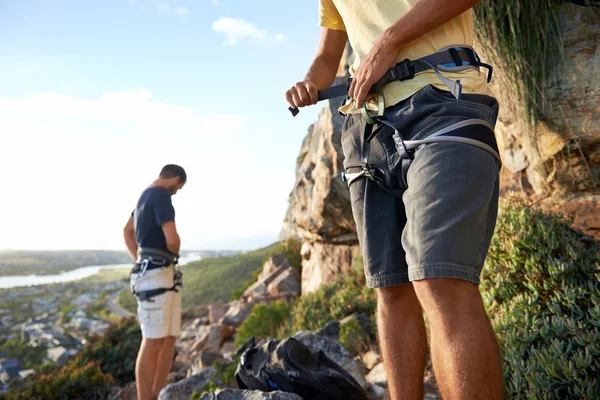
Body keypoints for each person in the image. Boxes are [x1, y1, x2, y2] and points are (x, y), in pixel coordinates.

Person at [285, 1, 504, 399]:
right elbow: (326, 58)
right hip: (365, 130)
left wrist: (391, 40)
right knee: (391, 288)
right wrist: (307, 84)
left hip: (442, 99)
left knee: (438, 278)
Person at [123, 164, 186, 400]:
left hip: (157, 275)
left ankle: (160, 394)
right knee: (152, 342)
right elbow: (172, 239)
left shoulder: (143, 198)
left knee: (168, 337)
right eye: (179, 188)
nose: (177, 192)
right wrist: (172, 249)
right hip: (158, 275)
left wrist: (139, 259)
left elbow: (127, 231)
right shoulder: (160, 195)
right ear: (175, 180)